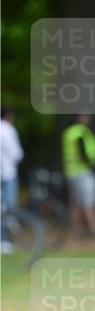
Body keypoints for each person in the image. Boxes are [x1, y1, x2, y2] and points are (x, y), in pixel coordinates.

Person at [61, 113, 95, 240]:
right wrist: (94, 163)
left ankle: (77, 231)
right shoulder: (82, 133)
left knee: (75, 203)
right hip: (83, 171)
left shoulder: (68, 132)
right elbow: (85, 153)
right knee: (89, 202)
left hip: (70, 171)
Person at [1, 105, 24, 253]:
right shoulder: (9, 130)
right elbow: (17, 154)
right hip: (8, 173)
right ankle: (7, 239)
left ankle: (3, 241)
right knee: (9, 208)